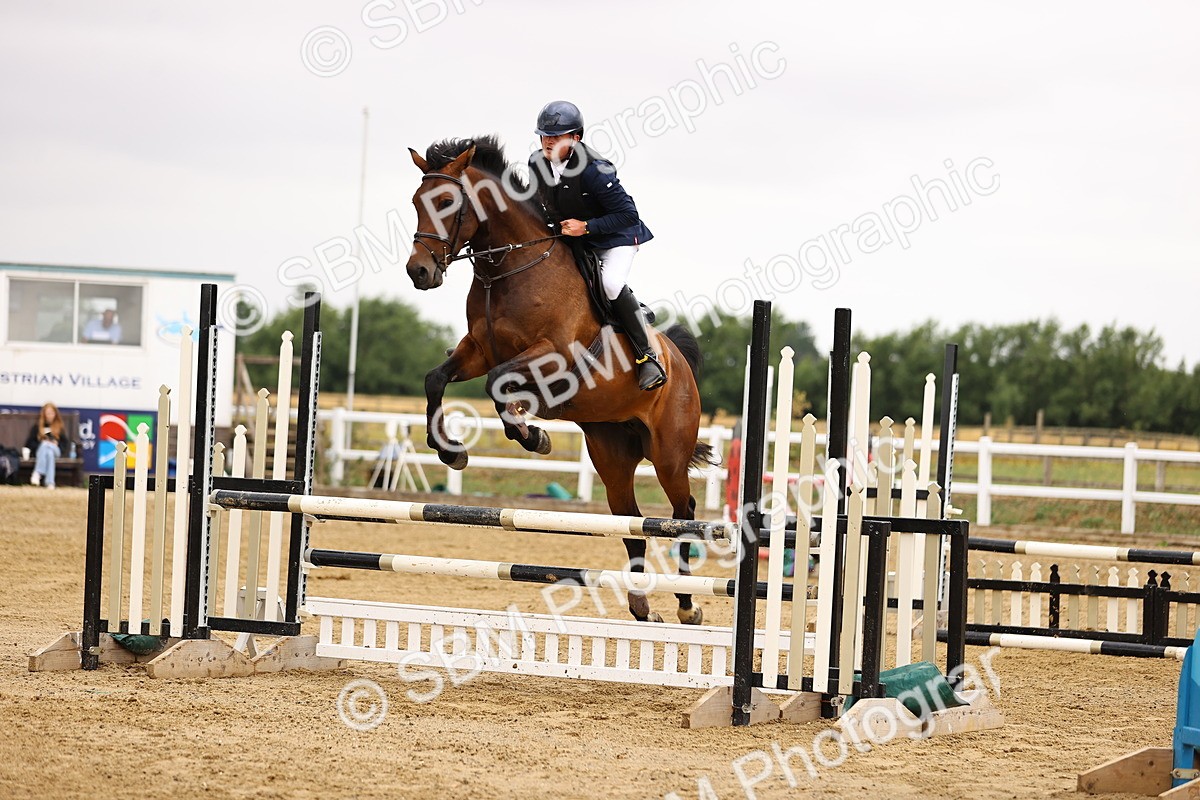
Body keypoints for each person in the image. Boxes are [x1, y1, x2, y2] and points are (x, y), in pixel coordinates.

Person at [527, 100, 665, 391]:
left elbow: (628, 214)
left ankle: (647, 357)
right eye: (545, 136)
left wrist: (586, 227)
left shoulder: (594, 170)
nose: (548, 142)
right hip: (576, 236)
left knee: (611, 283)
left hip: (617, 237)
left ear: (575, 138)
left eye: (557, 136)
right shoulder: (537, 163)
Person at [25, 402, 64, 489]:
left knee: (48, 446)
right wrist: (42, 442)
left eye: (51, 413)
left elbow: (64, 443)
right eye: (47, 413)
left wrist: (55, 443)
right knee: (48, 452)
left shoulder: (59, 427)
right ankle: (50, 482)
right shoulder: (37, 427)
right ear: (44, 414)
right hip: (42, 452)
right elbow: (30, 443)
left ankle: (37, 473)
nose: (49, 415)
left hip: (56, 451)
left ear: (55, 414)